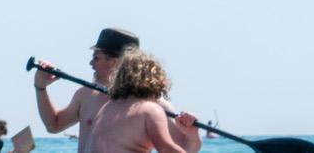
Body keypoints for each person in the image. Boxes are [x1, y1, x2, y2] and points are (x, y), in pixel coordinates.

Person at [34, 29, 196, 153]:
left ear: (116, 63)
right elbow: (53, 125)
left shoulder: (157, 106)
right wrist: (40, 87)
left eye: (96, 57)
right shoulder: (86, 95)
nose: (91, 63)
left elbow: (184, 146)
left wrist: (193, 134)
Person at [87, 49, 200, 153]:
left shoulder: (107, 107)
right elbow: (167, 149)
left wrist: (192, 135)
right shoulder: (149, 110)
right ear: (156, 82)